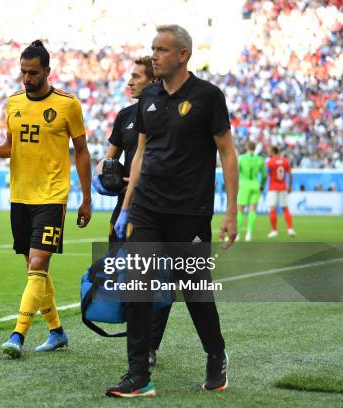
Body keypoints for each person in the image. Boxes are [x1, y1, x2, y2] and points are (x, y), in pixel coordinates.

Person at [111, 25, 238, 397]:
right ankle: (138, 374)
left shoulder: (208, 97)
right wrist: (128, 206)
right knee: (138, 289)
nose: (154, 55)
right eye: (152, 49)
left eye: (162, 50)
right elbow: (141, 155)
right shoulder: (149, 96)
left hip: (190, 213)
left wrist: (231, 213)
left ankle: (216, 354)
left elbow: (228, 153)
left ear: (182, 55)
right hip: (147, 210)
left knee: (195, 293)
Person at [0, 40, 92, 358]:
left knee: (39, 262)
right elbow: (10, 147)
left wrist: (86, 199)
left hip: (52, 196)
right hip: (21, 195)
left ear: (47, 71)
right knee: (34, 267)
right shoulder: (13, 103)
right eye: (23, 72)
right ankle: (56, 331)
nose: (27, 79)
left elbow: (82, 151)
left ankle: (18, 335)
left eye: (33, 73)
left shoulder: (68, 105)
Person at [92, 57, 168, 367]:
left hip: (156, 208)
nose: (129, 82)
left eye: (135, 77)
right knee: (124, 278)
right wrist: (103, 174)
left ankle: (149, 345)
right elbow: (109, 159)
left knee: (157, 281)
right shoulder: (124, 117)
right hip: (123, 208)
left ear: (152, 82)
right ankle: (139, 341)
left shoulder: (166, 114)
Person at [237, 141, 266, 241]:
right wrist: (262, 185)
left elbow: (237, 172)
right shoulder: (260, 159)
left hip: (244, 185)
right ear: (255, 148)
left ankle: (238, 234)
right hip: (255, 185)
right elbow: (265, 175)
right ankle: (249, 233)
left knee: (240, 209)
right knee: (252, 209)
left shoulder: (241, 158)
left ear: (247, 147)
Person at [266, 146, 295, 238]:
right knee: (285, 208)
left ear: (272, 151)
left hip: (273, 188)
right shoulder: (285, 161)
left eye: (269, 151)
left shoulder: (270, 162)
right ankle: (290, 229)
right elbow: (290, 175)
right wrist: (289, 186)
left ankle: (274, 231)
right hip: (283, 187)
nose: (268, 153)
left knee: (272, 209)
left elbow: (266, 175)